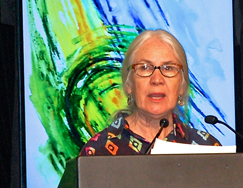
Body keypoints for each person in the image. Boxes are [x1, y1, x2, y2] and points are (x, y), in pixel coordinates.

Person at [80, 29, 220, 155]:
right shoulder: (98, 152)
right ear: (129, 85)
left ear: (182, 87)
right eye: (145, 68)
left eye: (168, 68)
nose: (157, 79)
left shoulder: (207, 148)